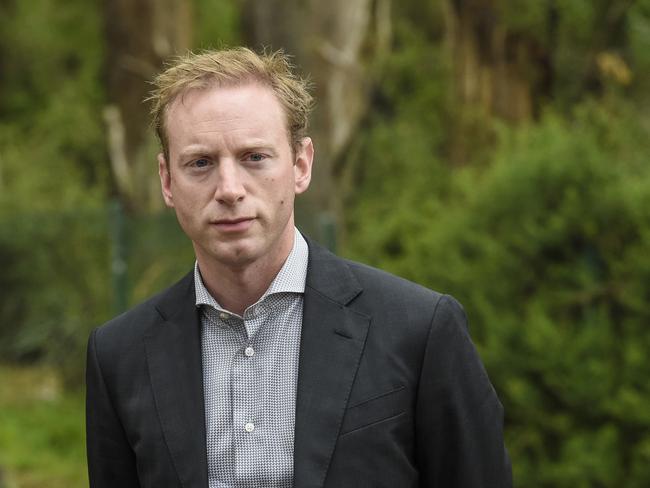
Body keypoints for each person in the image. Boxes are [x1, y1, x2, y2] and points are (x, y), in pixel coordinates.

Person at [86, 47, 512, 488]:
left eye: (254, 157)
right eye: (201, 163)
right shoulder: (119, 356)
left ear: (301, 165)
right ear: (167, 181)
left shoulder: (420, 331)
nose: (230, 189)